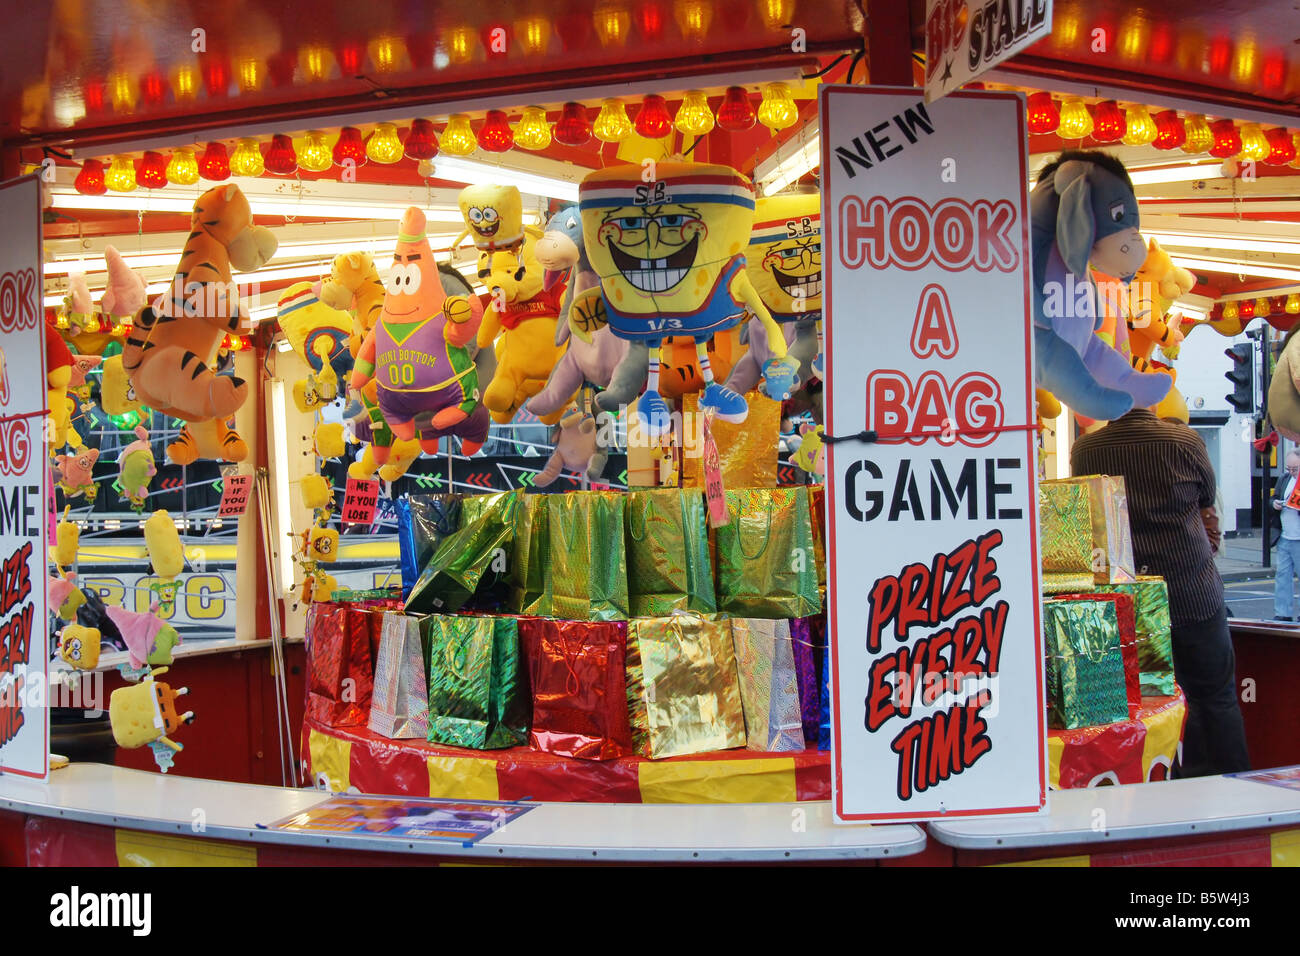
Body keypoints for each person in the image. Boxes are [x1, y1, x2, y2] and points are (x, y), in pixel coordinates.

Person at [1071, 407, 1250, 777]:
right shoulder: (1184, 440)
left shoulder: (1087, 449)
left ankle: (1162, 789)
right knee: (1215, 697)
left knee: (1144, 705)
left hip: (1128, 599)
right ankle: (1232, 787)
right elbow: (1206, 495)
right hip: (1192, 589)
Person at [1272, 451, 1300, 621]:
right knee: (1282, 576)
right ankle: (1282, 614)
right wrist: (1274, 503)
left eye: (1295, 468)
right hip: (1285, 536)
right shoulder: (1284, 479)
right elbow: (1274, 497)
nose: (1291, 472)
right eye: (1288, 468)